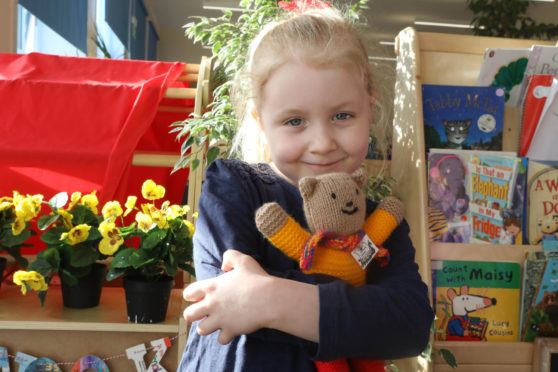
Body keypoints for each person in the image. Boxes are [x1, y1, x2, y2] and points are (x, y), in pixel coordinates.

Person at [179, 5, 433, 371]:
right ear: (261, 123)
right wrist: (360, 310)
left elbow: (409, 326)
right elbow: (224, 303)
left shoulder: (381, 220)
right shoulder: (234, 187)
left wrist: (268, 298)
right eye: (295, 120)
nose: (323, 142)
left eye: (342, 116)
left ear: (369, 108)